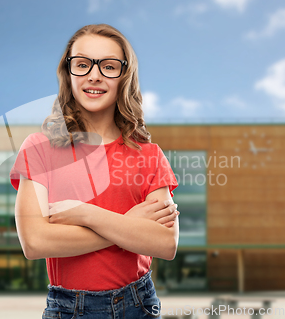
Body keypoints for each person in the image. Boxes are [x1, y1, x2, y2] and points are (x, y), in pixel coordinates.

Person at [9, 24, 179, 319]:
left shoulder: (149, 156)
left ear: (124, 77)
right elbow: (35, 242)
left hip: (138, 305)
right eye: (83, 64)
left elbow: (165, 243)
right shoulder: (39, 148)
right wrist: (128, 225)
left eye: (109, 66)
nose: (94, 74)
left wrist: (87, 215)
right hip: (67, 308)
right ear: (68, 73)